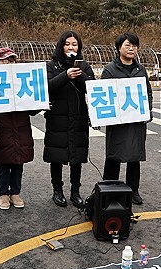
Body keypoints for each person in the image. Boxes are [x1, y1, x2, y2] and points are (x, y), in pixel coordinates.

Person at [44, 31, 95, 208]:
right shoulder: (51, 65)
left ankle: (75, 191)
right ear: (61, 46)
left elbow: (91, 88)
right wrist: (65, 75)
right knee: (56, 155)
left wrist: (78, 73)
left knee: (77, 156)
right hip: (57, 118)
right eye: (67, 44)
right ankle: (57, 190)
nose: (71, 47)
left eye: (74, 44)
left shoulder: (84, 66)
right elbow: (47, 87)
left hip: (78, 117)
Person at [101, 32, 153, 205]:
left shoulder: (141, 70)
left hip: (136, 121)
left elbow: (148, 93)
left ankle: (133, 190)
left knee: (134, 157)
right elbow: (104, 95)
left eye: (134, 46)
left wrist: (148, 112)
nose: (132, 49)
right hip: (118, 122)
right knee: (114, 157)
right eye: (128, 45)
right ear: (118, 48)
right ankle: (109, 188)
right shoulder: (110, 69)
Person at [0, 47, 35, 210]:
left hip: (21, 129)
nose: (9, 63)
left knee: (19, 163)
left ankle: (15, 193)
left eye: (12, 60)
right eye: (5, 60)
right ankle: (4, 194)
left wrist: (41, 105)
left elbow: (31, 108)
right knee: (3, 164)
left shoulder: (22, 81)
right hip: (2, 130)